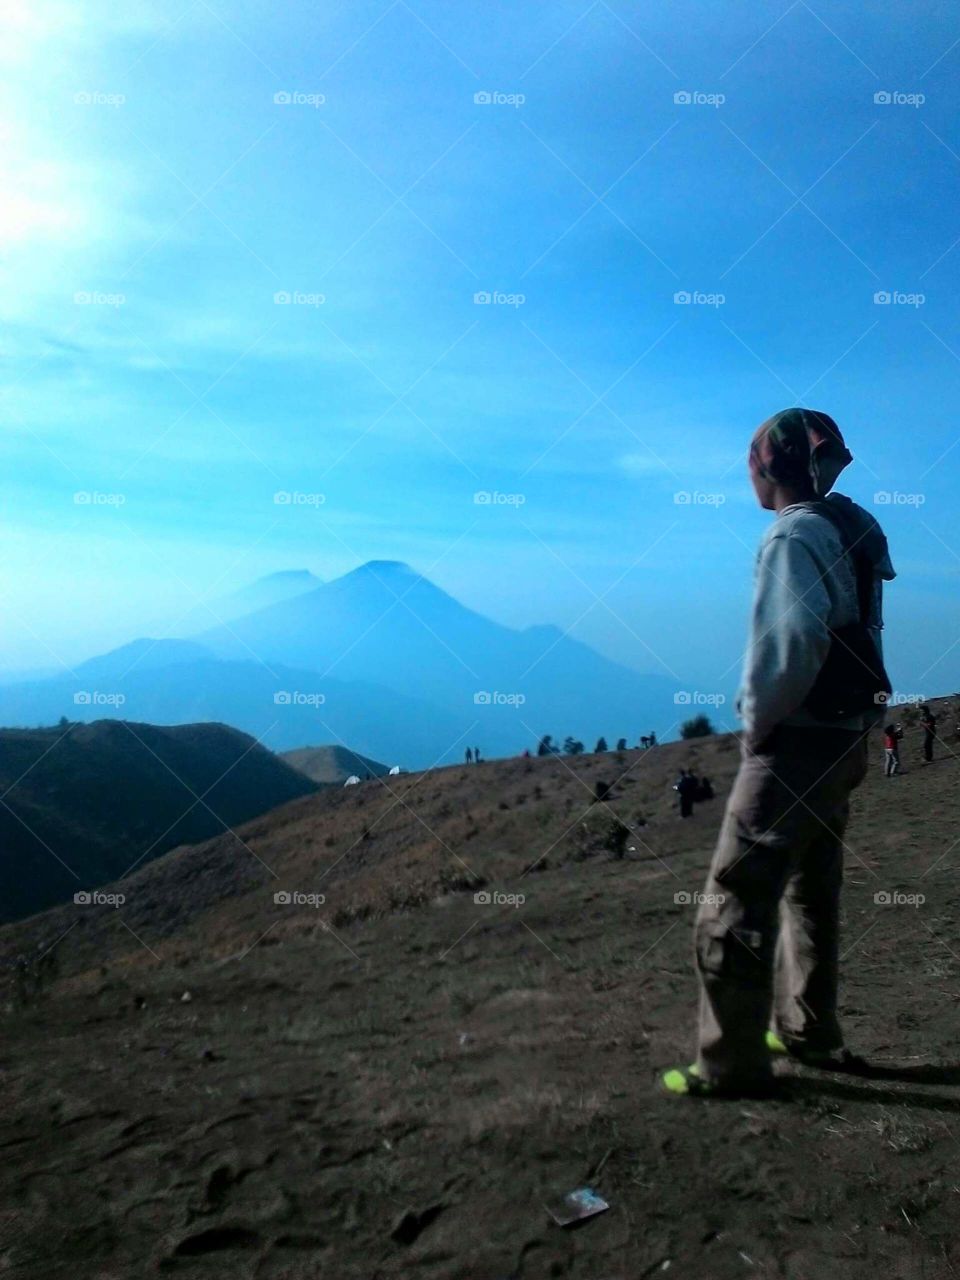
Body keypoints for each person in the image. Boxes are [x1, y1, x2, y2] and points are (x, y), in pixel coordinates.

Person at [662, 408, 893, 1098]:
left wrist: (756, 724)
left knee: (735, 896)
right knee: (811, 890)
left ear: (768, 467)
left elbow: (791, 646)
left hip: (795, 742)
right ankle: (810, 1033)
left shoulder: (791, 536)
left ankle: (729, 1063)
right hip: (847, 736)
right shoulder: (854, 528)